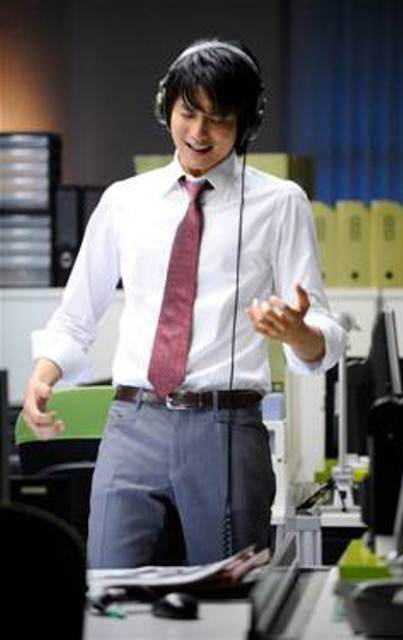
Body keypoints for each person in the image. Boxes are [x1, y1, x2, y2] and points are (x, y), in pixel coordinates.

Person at [22, 38, 346, 568]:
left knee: (227, 597)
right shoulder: (123, 201)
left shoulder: (280, 203)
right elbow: (76, 315)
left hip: (225, 428)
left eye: (218, 120)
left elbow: (323, 334)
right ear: (165, 107)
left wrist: (298, 334)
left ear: (246, 125)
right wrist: (44, 373)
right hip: (132, 422)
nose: (198, 132)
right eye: (188, 113)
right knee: (108, 590)